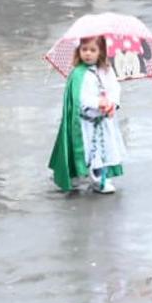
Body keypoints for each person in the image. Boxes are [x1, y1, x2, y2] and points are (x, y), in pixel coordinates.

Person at [48, 35, 126, 194]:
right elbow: (79, 97)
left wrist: (112, 104)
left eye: (93, 50)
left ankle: (100, 178)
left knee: (103, 149)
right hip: (86, 122)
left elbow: (114, 89)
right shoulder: (77, 73)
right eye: (84, 50)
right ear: (79, 51)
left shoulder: (106, 70)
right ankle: (81, 175)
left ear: (101, 52)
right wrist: (98, 102)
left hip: (103, 120)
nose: (88, 53)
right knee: (88, 150)